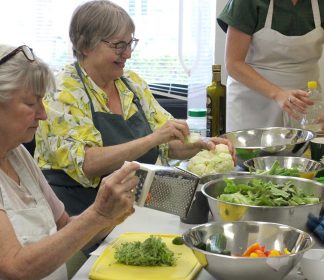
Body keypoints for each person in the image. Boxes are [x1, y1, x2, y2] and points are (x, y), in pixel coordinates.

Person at [0, 44, 140, 279]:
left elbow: (64, 227)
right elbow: (15, 268)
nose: (43, 114)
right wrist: (98, 215)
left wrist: (112, 212)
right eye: (31, 104)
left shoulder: (15, 153)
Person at [35, 0, 236, 216]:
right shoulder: (62, 91)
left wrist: (204, 145)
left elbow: (168, 142)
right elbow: (86, 162)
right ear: (85, 46)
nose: (128, 54)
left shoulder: (130, 84)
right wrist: (152, 139)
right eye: (118, 46)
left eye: (130, 44)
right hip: (78, 214)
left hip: (131, 205)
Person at [217, 0, 324, 132]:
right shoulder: (246, 3)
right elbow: (234, 63)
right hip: (252, 106)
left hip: (305, 107)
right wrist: (278, 94)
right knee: (251, 152)